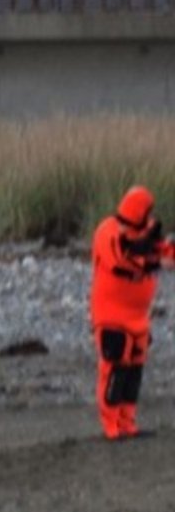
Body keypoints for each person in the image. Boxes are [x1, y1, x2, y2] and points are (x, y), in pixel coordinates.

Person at [90, 185, 175, 440]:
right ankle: (111, 425)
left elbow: (160, 250)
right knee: (115, 368)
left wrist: (163, 253)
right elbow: (121, 259)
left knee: (134, 371)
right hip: (111, 316)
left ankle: (127, 422)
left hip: (138, 318)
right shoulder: (108, 231)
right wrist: (154, 261)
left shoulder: (146, 232)